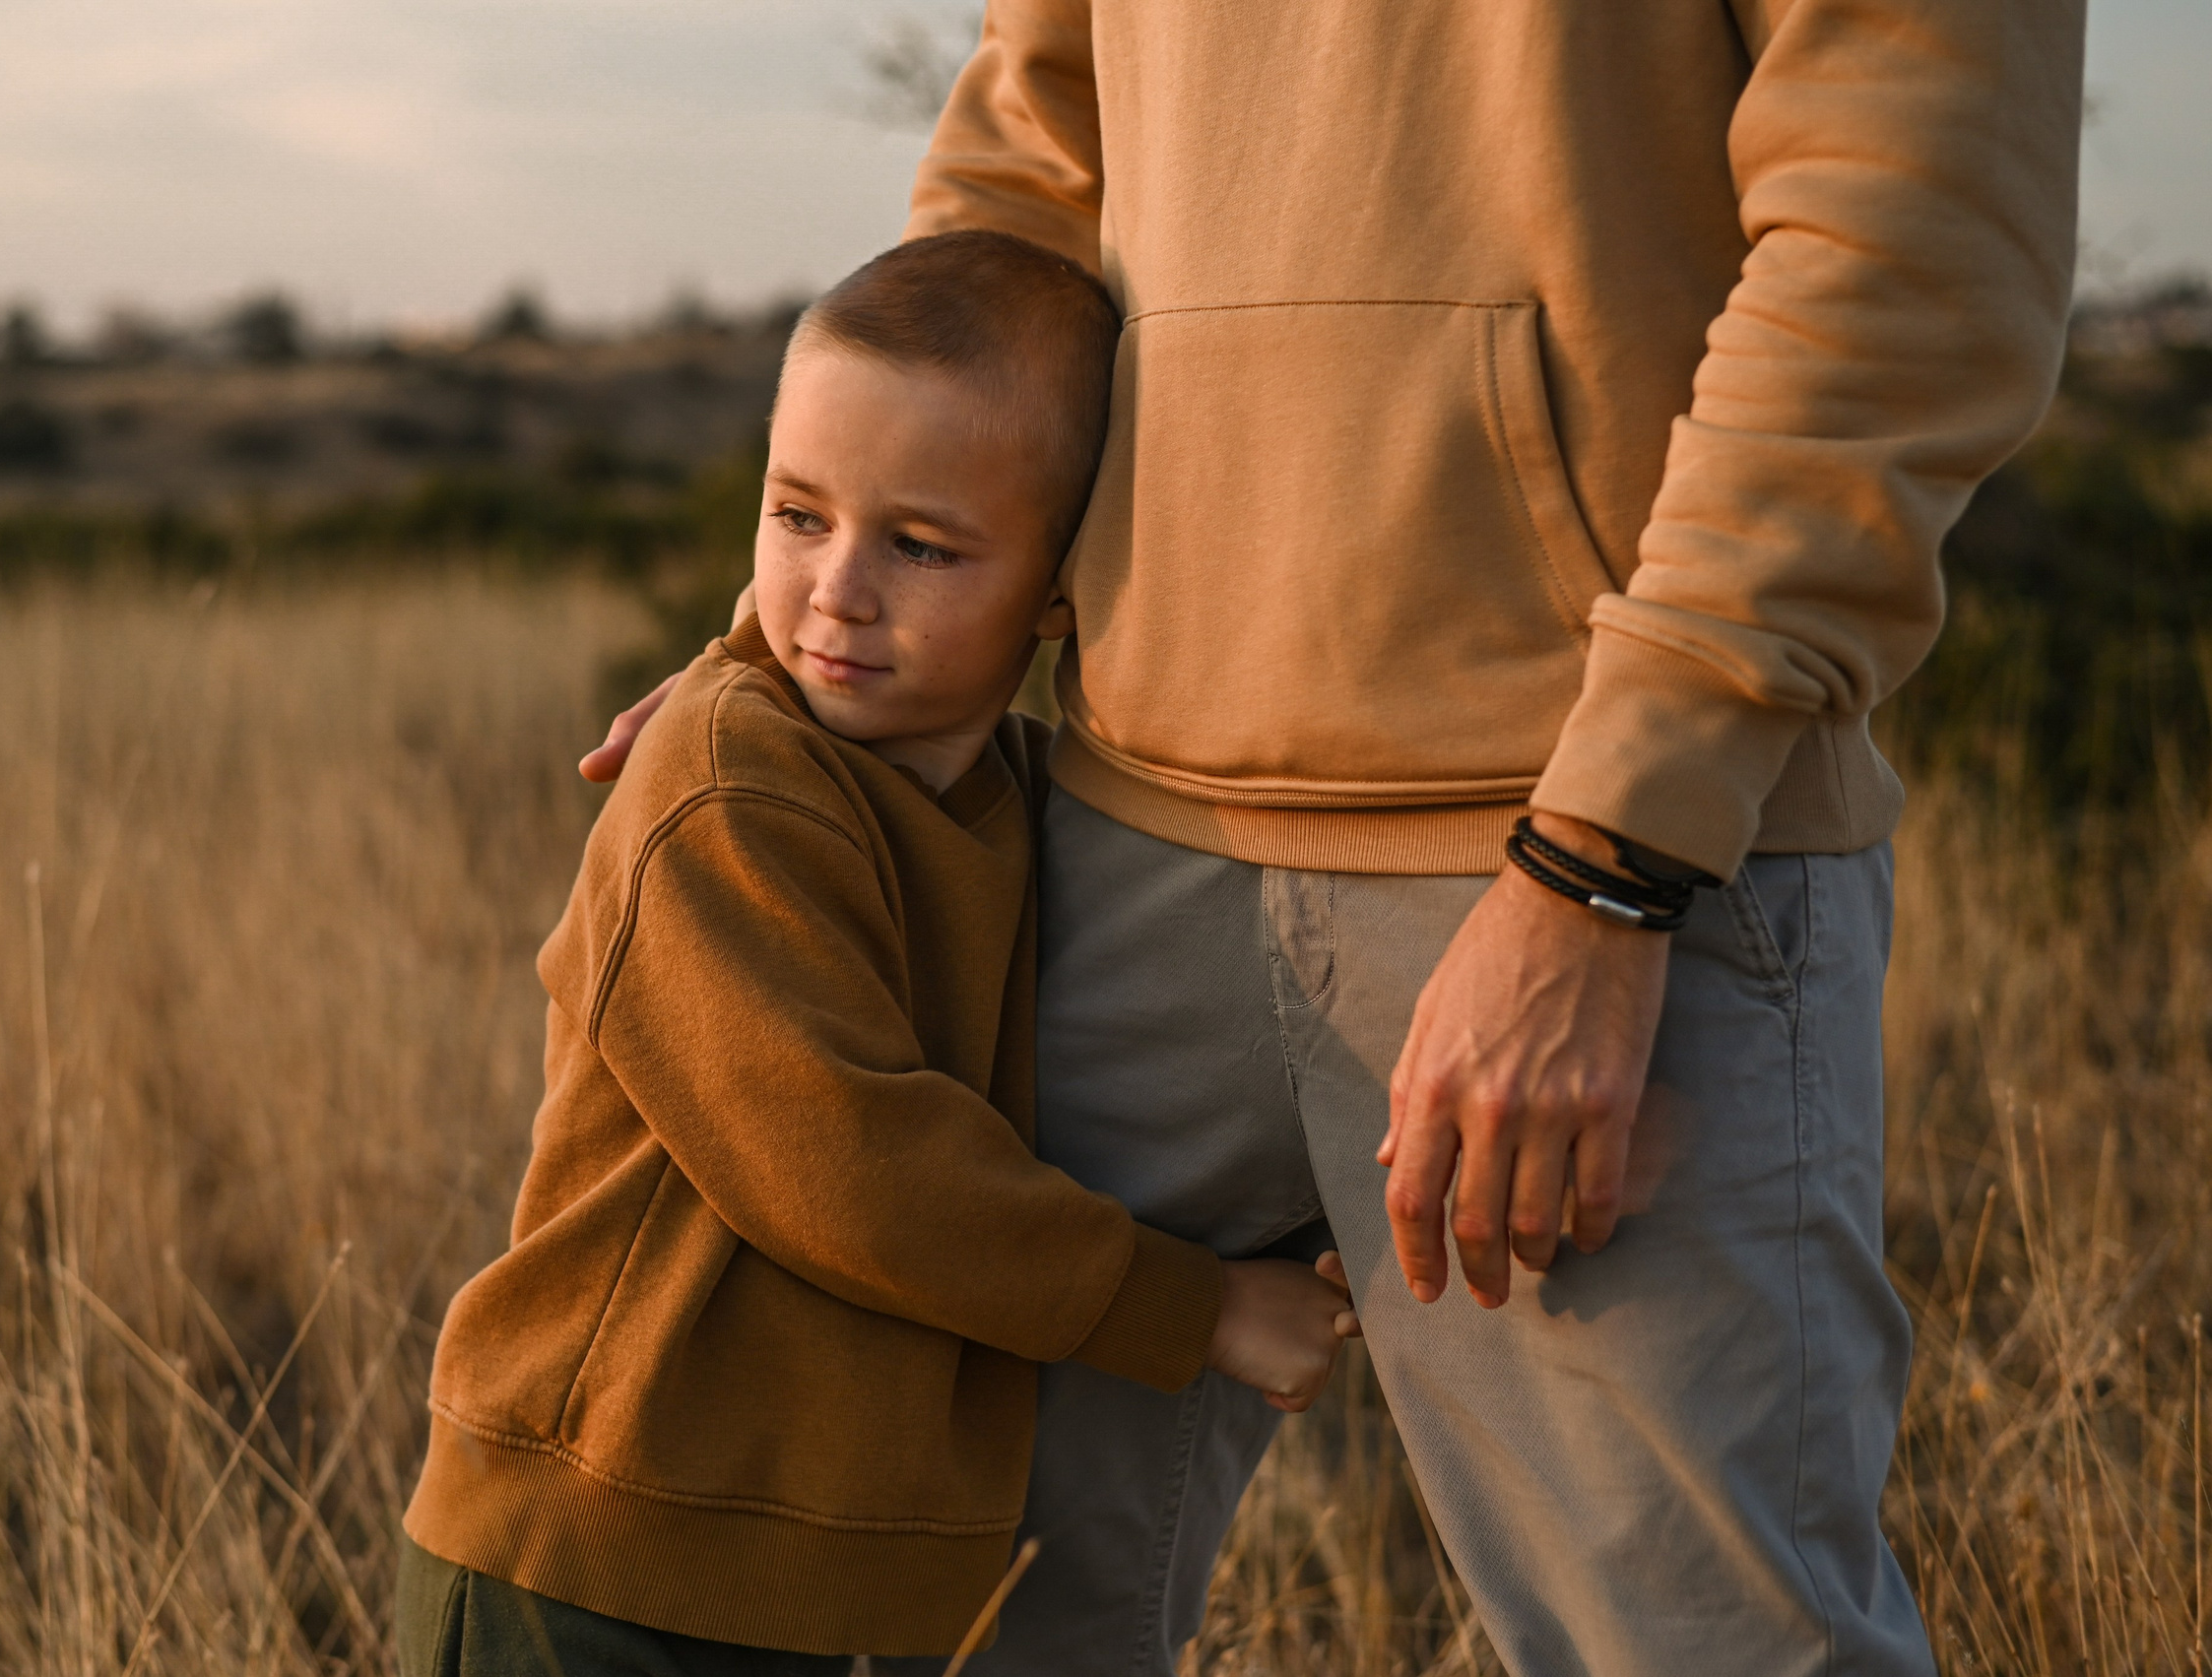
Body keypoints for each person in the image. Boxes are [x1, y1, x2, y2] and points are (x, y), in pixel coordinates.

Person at [585, 3, 2086, 1671]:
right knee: (963, 1622)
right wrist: (786, 639)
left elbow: (1907, 242)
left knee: (1697, 1643)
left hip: (1579, 864)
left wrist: (1611, 848)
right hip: (1109, 836)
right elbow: (1026, 173)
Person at [397, 230, 1360, 1674]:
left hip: (786, 1577)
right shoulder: (728, 781)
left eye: (919, 546)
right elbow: (848, 1164)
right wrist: (1197, 1306)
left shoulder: (1013, 802)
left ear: (1059, 592)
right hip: (594, 1549)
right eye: (797, 517)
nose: (837, 592)